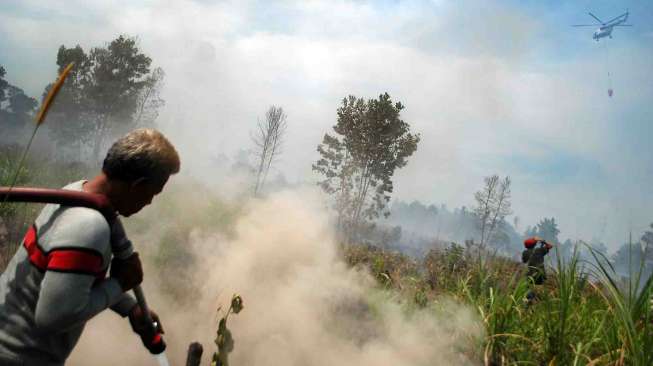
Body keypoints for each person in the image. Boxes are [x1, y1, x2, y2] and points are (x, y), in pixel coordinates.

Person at [0, 128, 180, 366]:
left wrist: (129, 307)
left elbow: (73, 280)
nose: (149, 202)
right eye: (152, 194)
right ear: (138, 184)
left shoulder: (75, 192)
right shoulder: (89, 226)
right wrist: (118, 285)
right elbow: (53, 317)